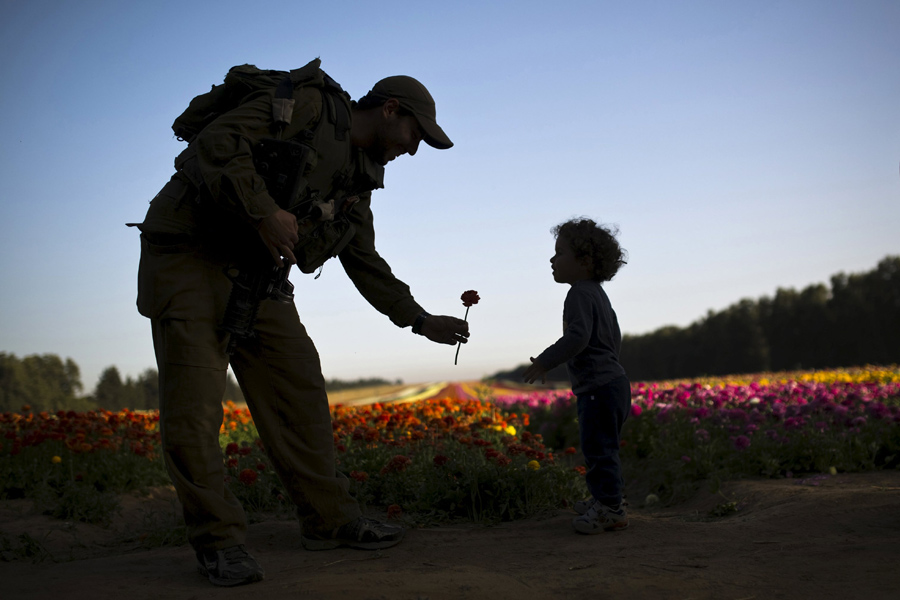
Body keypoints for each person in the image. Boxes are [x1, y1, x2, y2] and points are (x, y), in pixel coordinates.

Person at [131, 59, 469, 587]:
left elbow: (366, 264)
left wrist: (421, 320)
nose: (413, 148)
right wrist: (264, 210)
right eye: (415, 134)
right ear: (390, 109)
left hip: (257, 277)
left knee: (302, 393)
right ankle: (219, 541)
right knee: (195, 413)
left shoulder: (358, 184)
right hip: (189, 258)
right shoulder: (309, 105)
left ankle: (330, 522)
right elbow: (218, 141)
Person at [522, 217, 630, 534]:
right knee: (603, 448)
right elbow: (614, 338)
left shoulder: (579, 294)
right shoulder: (597, 293)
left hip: (598, 387)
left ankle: (610, 509)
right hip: (613, 383)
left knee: (598, 450)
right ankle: (604, 500)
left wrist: (545, 361)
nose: (552, 260)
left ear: (584, 261)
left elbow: (578, 337)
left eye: (560, 253)